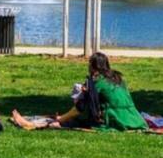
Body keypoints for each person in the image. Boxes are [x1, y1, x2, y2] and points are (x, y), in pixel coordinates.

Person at [13, 52, 148, 131]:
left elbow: (81, 108)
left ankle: (31, 125)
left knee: (70, 120)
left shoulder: (97, 82)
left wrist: (63, 116)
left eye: (89, 63)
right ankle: (41, 121)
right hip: (133, 118)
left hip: (114, 119)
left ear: (93, 66)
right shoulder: (118, 78)